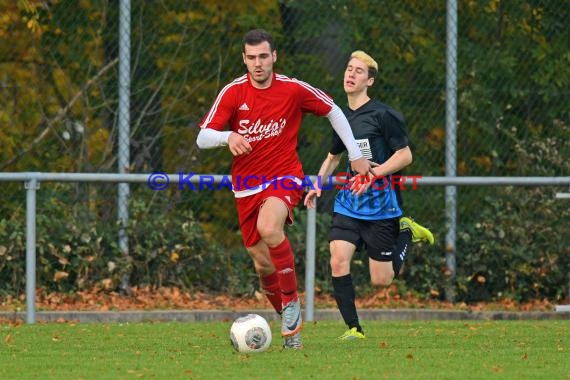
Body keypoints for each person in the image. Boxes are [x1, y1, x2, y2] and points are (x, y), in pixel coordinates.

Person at [195, 29, 372, 349]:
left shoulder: (292, 89)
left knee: (269, 226)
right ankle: (290, 326)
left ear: (274, 56)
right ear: (244, 59)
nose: (258, 63)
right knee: (262, 264)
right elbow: (203, 136)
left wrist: (357, 155)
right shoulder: (233, 92)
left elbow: (333, 110)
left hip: (284, 177)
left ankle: (291, 302)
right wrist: (227, 137)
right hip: (246, 186)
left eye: (264, 56)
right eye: (251, 58)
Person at [304, 50, 434, 340]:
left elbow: (405, 155)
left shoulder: (384, 115)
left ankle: (405, 231)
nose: (351, 74)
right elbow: (333, 158)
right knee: (338, 259)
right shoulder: (340, 117)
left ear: (370, 81)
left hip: (381, 207)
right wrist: (317, 185)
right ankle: (354, 329)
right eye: (349, 68)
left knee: (381, 281)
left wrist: (374, 174)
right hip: (350, 202)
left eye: (359, 71)